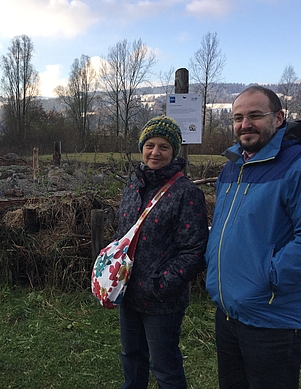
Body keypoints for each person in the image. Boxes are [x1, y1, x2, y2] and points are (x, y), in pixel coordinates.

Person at [205, 85, 301, 389]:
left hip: (272, 318)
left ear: (279, 118)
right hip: (228, 312)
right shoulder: (232, 168)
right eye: (238, 118)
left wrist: (269, 277)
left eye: (255, 115)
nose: (245, 125)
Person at [115, 115, 209, 388]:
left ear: (174, 151)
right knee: (131, 357)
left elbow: (194, 249)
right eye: (150, 145)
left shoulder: (186, 192)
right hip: (128, 291)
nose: (155, 152)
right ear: (142, 147)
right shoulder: (133, 184)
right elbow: (122, 231)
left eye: (164, 147)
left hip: (161, 299)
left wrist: (162, 284)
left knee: (164, 367)